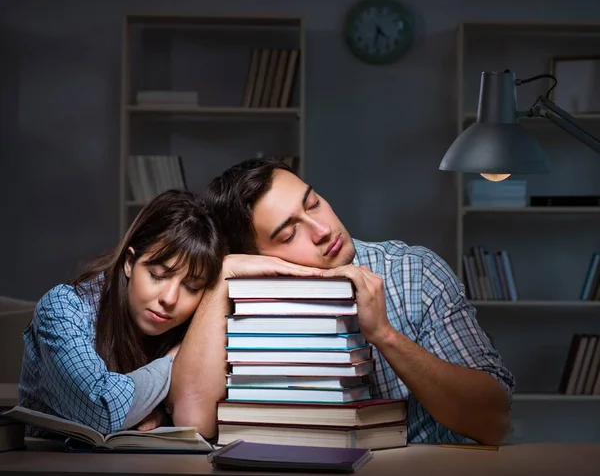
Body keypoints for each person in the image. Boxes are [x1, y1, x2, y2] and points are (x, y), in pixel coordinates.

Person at [203, 158, 515, 445]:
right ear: (255, 258)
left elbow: (493, 421)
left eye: (313, 204)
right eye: (289, 234)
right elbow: (195, 421)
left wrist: (384, 334)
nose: (323, 230)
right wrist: (224, 278)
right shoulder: (236, 300)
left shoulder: (414, 272)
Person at [19, 189, 226, 437]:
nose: (169, 299)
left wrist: (226, 275)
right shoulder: (63, 308)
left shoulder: (194, 324)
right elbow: (102, 410)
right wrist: (173, 361)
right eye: (158, 275)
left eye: (192, 287)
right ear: (130, 262)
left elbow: (196, 418)